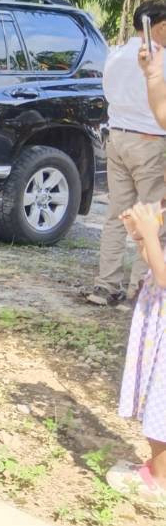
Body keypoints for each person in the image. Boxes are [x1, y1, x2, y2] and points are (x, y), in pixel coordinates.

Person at [86, 0, 166, 307]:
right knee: (152, 217)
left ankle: (105, 285)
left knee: (117, 215)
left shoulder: (115, 54)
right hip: (150, 142)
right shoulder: (158, 59)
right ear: (159, 26)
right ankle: (140, 289)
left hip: (117, 138)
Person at [110, 199, 166, 503]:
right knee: (155, 396)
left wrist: (151, 234)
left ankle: (160, 481)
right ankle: (156, 468)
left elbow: (164, 277)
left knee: (162, 402)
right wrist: (141, 235)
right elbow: (156, 261)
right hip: (158, 319)